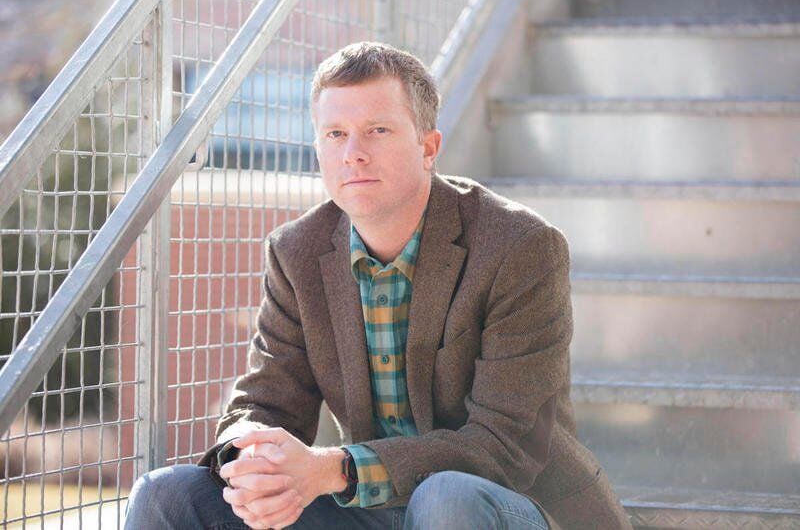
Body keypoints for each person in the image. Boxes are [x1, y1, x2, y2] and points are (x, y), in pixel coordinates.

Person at [124, 41, 632, 530]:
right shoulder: (297, 252)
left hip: (511, 501)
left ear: (429, 146)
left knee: (445, 497)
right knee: (167, 496)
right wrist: (254, 456)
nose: (353, 154)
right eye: (335, 134)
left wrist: (334, 468)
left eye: (378, 130)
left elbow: (501, 445)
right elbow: (265, 399)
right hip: (365, 507)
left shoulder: (519, 247)